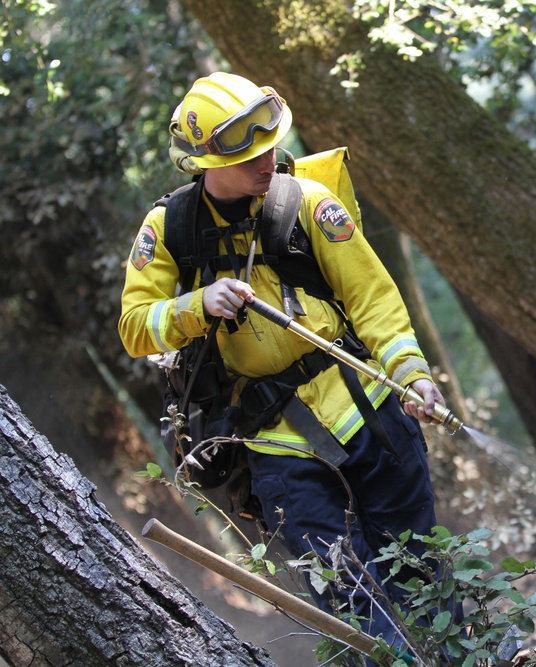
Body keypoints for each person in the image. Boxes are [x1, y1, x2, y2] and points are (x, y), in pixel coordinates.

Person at [119, 71, 451, 655]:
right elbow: (134, 327)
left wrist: (411, 375)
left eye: (271, 145)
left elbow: (374, 301)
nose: (268, 161)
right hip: (274, 442)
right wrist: (196, 306)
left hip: (367, 411)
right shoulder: (168, 231)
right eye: (250, 155)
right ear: (204, 163)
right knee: (344, 596)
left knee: (423, 573)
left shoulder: (308, 204)